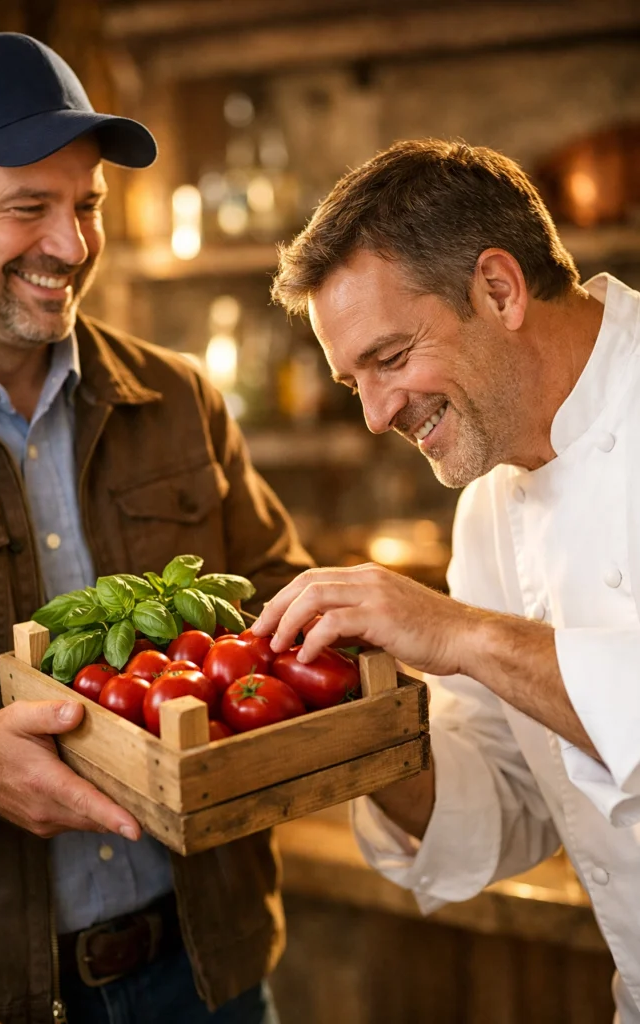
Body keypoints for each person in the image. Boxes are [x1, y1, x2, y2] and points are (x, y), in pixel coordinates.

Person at [0, 31, 312, 1024]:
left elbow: (284, 604)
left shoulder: (178, 397)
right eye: (28, 207)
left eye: (87, 206)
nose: (71, 246)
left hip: (205, 974)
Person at [257, 138, 640, 1022]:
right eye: (352, 379)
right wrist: (350, 724)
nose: (375, 413)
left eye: (389, 358)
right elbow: (507, 796)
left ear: (498, 289)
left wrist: (459, 634)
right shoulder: (489, 505)